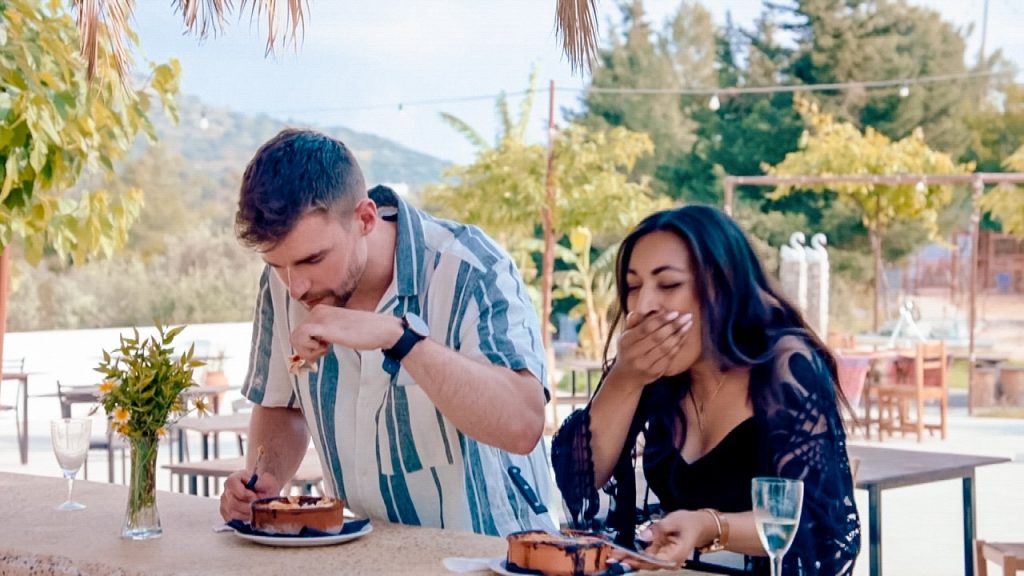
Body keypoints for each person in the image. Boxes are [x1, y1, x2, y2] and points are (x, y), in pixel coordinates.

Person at [220, 128, 554, 536]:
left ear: (365, 218)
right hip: (365, 551)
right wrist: (264, 480)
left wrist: (399, 338)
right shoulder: (285, 283)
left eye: (314, 259)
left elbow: (523, 424)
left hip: (492, 551)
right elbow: (282, 405)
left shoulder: (470, 269)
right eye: (276, 265)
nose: (296, 287)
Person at [551, 205, 860, 575]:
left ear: (722, 286)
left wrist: (712, 526)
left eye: (668, 284)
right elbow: (578, 479)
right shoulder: (655, 372)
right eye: (633, 287)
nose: (645, 306)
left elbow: (814, 525)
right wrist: (625, 378)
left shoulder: (785, 367)